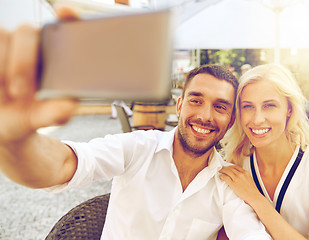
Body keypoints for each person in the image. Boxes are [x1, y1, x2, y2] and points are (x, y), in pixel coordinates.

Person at [0, 8, 272, 238]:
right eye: (196, 100)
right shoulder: (139, 148)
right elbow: (64, 164)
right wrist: (17, 139)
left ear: (231, 119)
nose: (205, 115)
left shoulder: (228, 183)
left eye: (220, 106)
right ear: (179, 105)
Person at [218, 64, 309, 240]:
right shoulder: (236, 164)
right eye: (248, 106)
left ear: (289, 109)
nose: (257, 119)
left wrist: (255, 199)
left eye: (269, 105)